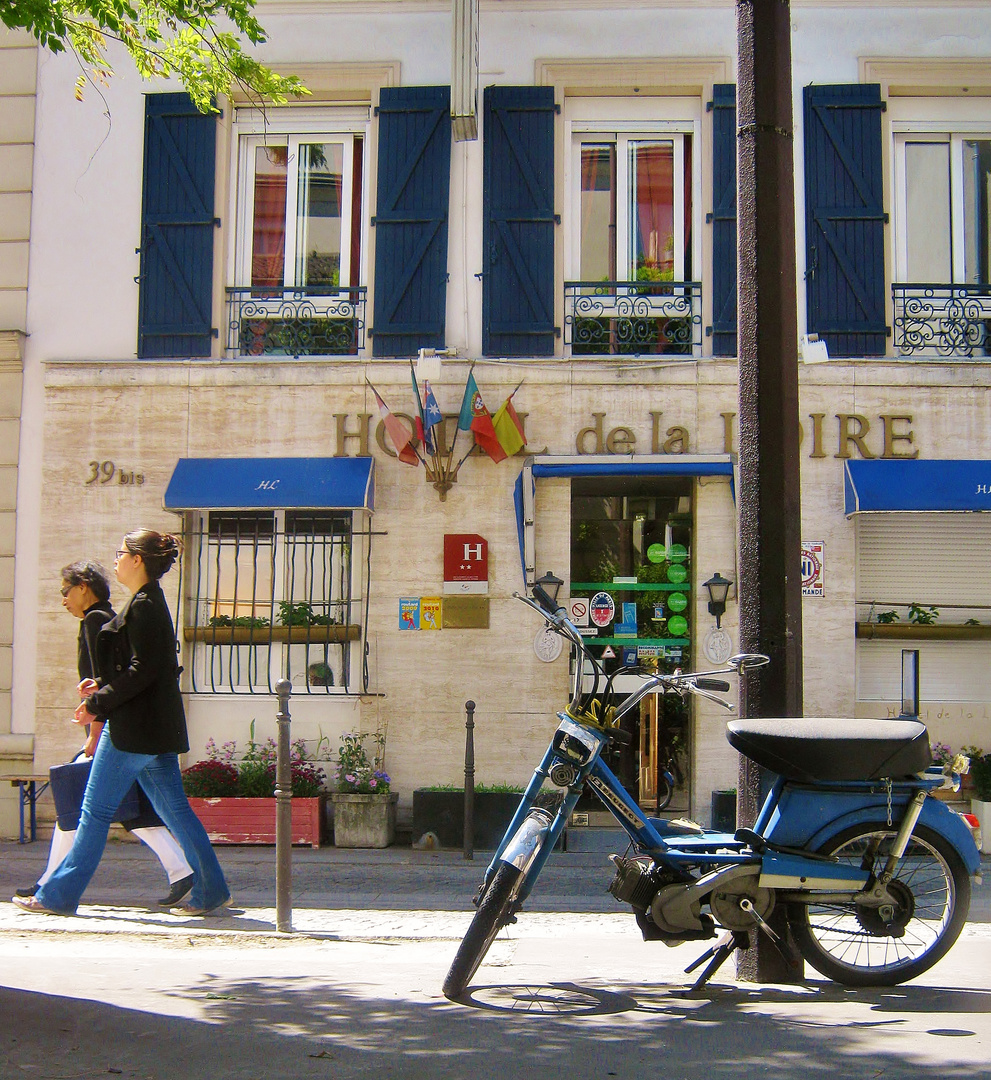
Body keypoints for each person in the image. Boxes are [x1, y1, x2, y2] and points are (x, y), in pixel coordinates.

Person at [13, 531, 231, 917]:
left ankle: (57, 896)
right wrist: (101, 687)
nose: (115, 560)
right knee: (175, 812)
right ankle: (212, 889)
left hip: (132, 730)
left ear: (137, 560)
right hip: (151, 729)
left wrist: (97, 703)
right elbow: (143, 669)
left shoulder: (145, 605)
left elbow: (143, 670)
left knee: (94, 814)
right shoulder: (145, 603)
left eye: (121, 553)